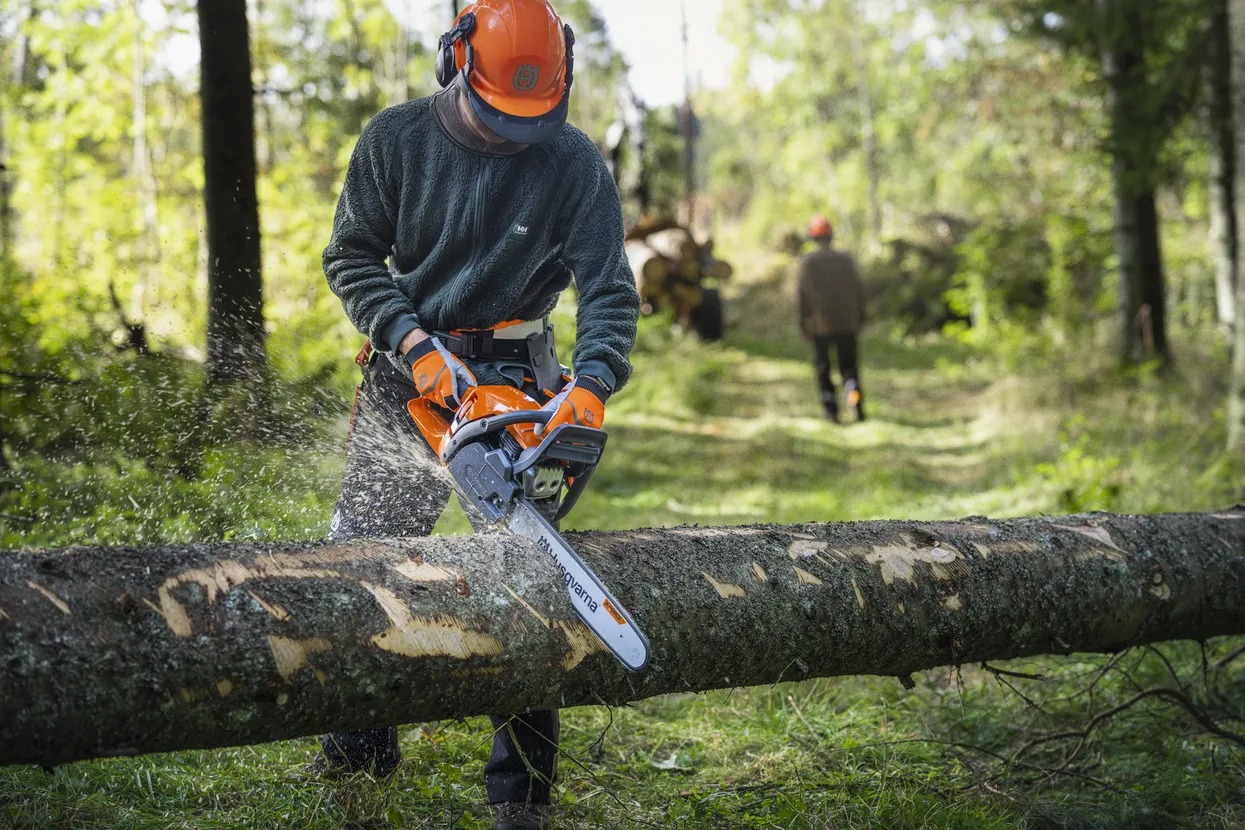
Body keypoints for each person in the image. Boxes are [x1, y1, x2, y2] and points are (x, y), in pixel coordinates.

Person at [314, 1, 640, 827]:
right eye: (499, 115)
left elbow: (607, 286)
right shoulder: (394, 140)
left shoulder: (570, 161)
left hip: (521, 375)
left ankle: (521, 792)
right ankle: (356, 751)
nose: (512, 136)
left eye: (529, 120)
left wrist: (591, 383)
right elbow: (351, 255)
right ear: (455, 62)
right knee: (365, 558)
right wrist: (411, 342)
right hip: (408, 375)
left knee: (535, 576)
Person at [796, 215, 866, 422]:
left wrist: (802, 323)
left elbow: (802, 297)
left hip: (821, 326)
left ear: (812, 238)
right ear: (831, 236)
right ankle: (855, 400)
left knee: (824, 369)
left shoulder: (808, 263)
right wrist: (860, 317)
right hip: (847, 324)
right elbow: (859, 291)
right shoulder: (846, 260)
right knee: (849, 368)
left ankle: (831, 411)